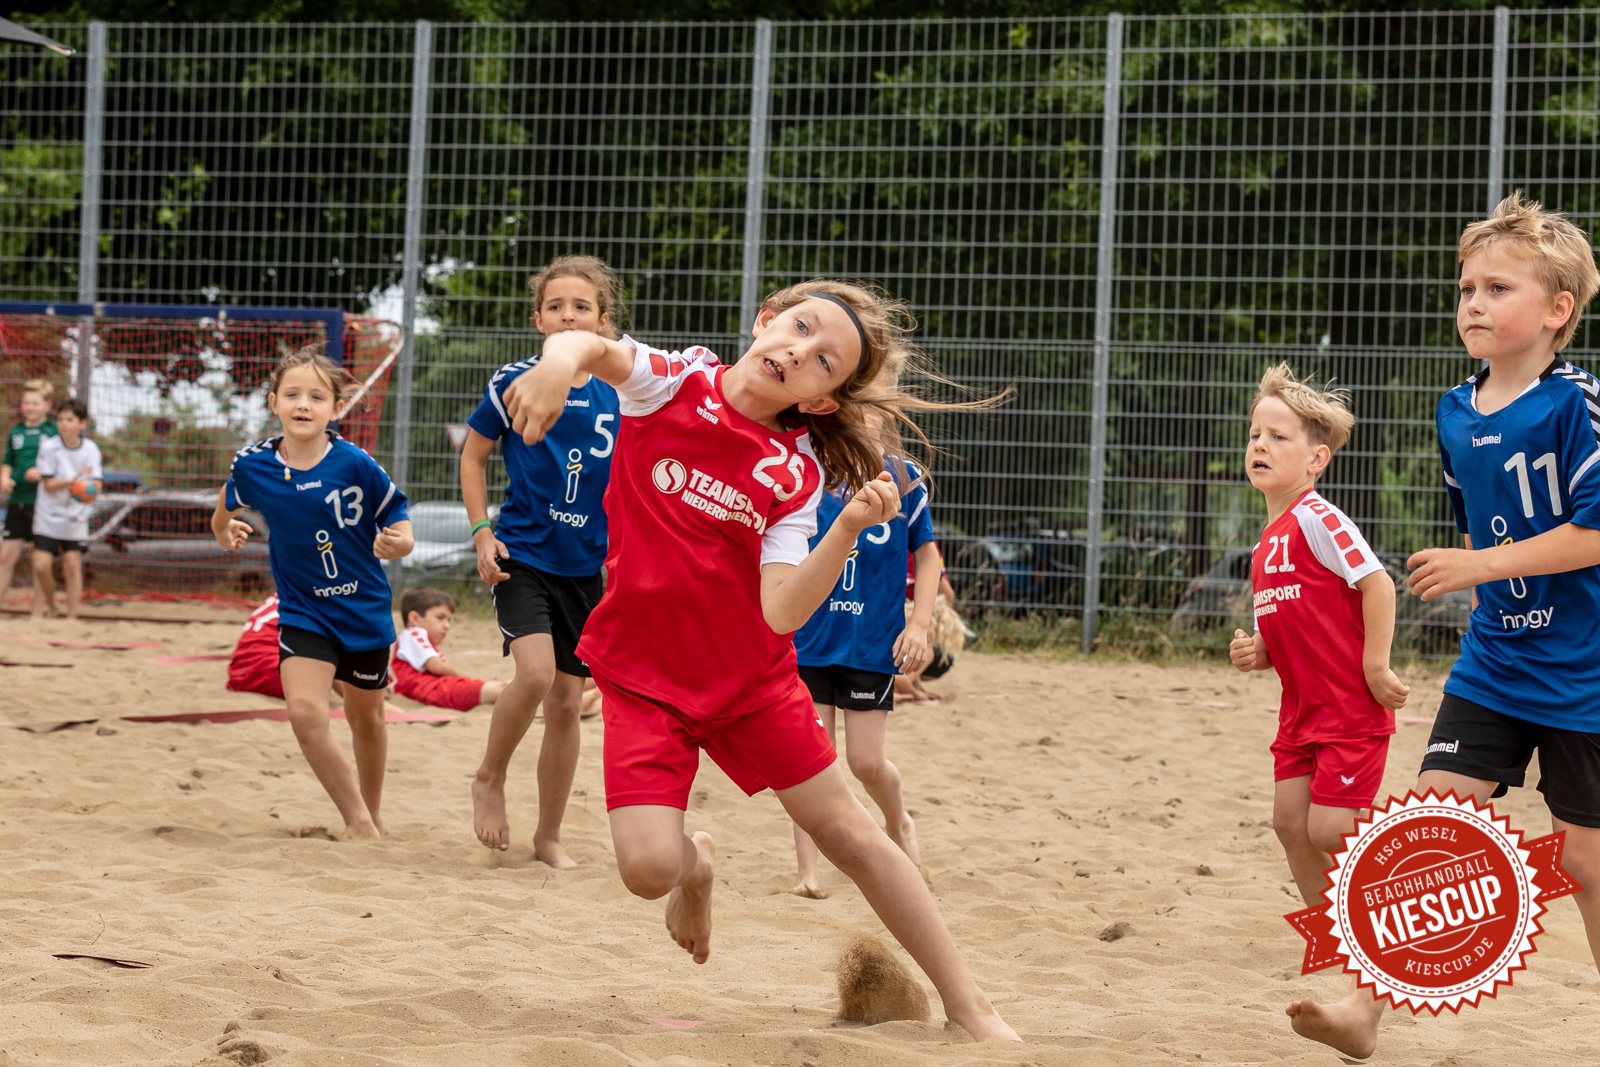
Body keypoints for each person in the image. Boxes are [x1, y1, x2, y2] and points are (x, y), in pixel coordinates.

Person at [500, 278, 1019, 1042]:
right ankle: (697, 865)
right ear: (765, 320)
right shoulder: (671, 382)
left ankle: (972, 1007)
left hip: (751, 682)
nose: (800, 352)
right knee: (647, 871)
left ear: (819, 400)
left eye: (824, 362)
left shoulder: (795, 474)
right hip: (645, 679)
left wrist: (843, 530)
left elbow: (779, 611)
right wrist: (556, 361)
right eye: (801, 329)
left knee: (851, 835)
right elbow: (590, 345)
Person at [1291, 192, 1600, 1057]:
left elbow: (1594, 531)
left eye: (1498, 288)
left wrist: (1480, 567)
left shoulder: (1580, 404)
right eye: (1466, 287)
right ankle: (1363, 1008)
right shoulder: (1453, 412)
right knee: (1428, 833)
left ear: (1556, 311)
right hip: (1496, 663)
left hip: (1587, 669)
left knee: (1583, 865)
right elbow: (1478, 524)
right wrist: (1483, 577)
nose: (1473, 302)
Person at [212, 347, 413, 840]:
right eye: (293, 394)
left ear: (336, 408)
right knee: (305, 712)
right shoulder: (253, 465)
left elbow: (400, 522)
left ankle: (373, 811)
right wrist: (226, 530)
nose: (304, 404)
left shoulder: (355, 463)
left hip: (363, 612)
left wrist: (398, 541)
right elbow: (224, 507)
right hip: (304, 611)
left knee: (366, 720)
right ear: (273, 401)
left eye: (317, 396)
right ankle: (359, 822)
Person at [462, 255, 623, 866]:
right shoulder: (514, 382)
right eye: (555, 305)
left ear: (602, 323)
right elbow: (473, 458)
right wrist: (482, 533)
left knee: (566, 704)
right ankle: (489, 776)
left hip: (588, 569)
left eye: (581, 306)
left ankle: (548, 836)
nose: (568, 315)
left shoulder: (621, 395)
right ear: (538, 319)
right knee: (533, 676)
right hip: (522, 554)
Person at [1227, 364, 1408, 900]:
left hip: (1348, 709)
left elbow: (1380, 587)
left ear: (1316, 459)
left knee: (1330, 830)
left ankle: (1398, 903)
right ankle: (1329, 938)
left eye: (1278, 437)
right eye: (1255, 435)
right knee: (1289, 824)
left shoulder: (1318, 518)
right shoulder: (1264, 543)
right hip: (1300, 712)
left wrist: (1376, 665)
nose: (1260, 445)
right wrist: (1255, 651)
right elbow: (1283, 626)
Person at [788, 456, 938, 898]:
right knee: (809, 758)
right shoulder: (809, 463)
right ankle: (807, 871)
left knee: (865, 762)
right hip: (810, 637)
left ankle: (898, 822)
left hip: (872, 641)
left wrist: (920, 625)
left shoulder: (905, 475)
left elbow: (928, 557)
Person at [228, 593, 408, 716]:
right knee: (326, 654)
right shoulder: (319, 597)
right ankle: (373, 707)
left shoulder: (291, 591)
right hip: (269, 671)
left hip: (241, 670)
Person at [31, 397, 101, 620]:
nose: (63, 423)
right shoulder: (49, 446)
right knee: (41, 566)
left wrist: (88, 489)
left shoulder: (90, 449)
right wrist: (70, 484)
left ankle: (72, 617)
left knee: (72, 565)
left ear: (82, 424)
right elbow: (48, 485)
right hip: (48, 515)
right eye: (60, 419)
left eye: (69, 419)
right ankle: (51, 606)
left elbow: (97, 483)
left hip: (75, 518)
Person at [392, 585, 507, 710]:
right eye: (440, 618)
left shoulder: (417, 637)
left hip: (433, 688)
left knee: (502, 688)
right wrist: (461, 679)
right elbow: (438, 667)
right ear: (415, 618)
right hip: (432, 690)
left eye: (449, 620)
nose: (447, 626)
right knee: (501, 689)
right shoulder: (414, 633)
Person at [1, 379, 57, 605]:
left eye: (35, 403)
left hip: (42, 503)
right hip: (17, 502)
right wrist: (4, 477)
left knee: (39, 560)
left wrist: (42, 471)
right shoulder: (17, 431)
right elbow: (8, 461)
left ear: (47, 405)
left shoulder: (52, 431)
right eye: (26, 403)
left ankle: (40, 610)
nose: (30, 407)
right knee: (5, 557)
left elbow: (61, 462)